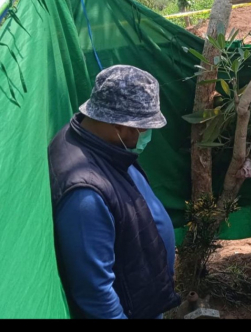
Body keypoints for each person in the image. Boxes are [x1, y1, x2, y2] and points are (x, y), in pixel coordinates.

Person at [48, 65, 181, 319]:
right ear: (121, 127)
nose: (146, 135)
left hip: (143, 294)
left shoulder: (94, 141)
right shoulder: (84, 195)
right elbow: (96, 292)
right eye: (144, 129)